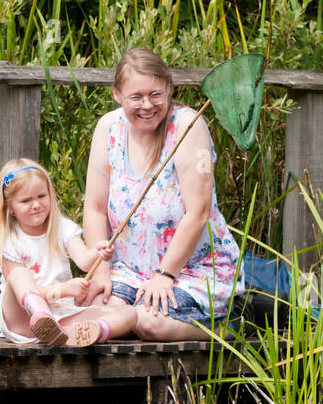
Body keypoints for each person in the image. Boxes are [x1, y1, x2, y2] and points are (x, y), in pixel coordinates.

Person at [83, 48, 243, 341]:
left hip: (192, 270)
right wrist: (100, 271)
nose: (147, 105)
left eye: (156, 94)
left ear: (169, 88)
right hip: (130, 270)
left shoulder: (188, 126)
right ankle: (129, 315)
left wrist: (165, 275)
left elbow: (199, 211)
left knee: (149, 323)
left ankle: (226, 325)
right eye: (136, 97)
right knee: (95, 310)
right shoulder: (108, 127)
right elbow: (94, 208)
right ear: (117, 94)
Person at [0, 157, 135, 346]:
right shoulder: (10, 240)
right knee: (18, 275)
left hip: (61, 314)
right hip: (21, 319)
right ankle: (40, 314)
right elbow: (20, 287)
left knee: (130, 314)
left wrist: (98, 253)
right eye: (25, 200)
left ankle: (81, 334)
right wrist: (62, 290)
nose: (36, 205)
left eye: (41, 196)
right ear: (10, 208)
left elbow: (84, 261)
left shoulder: (62, 228)